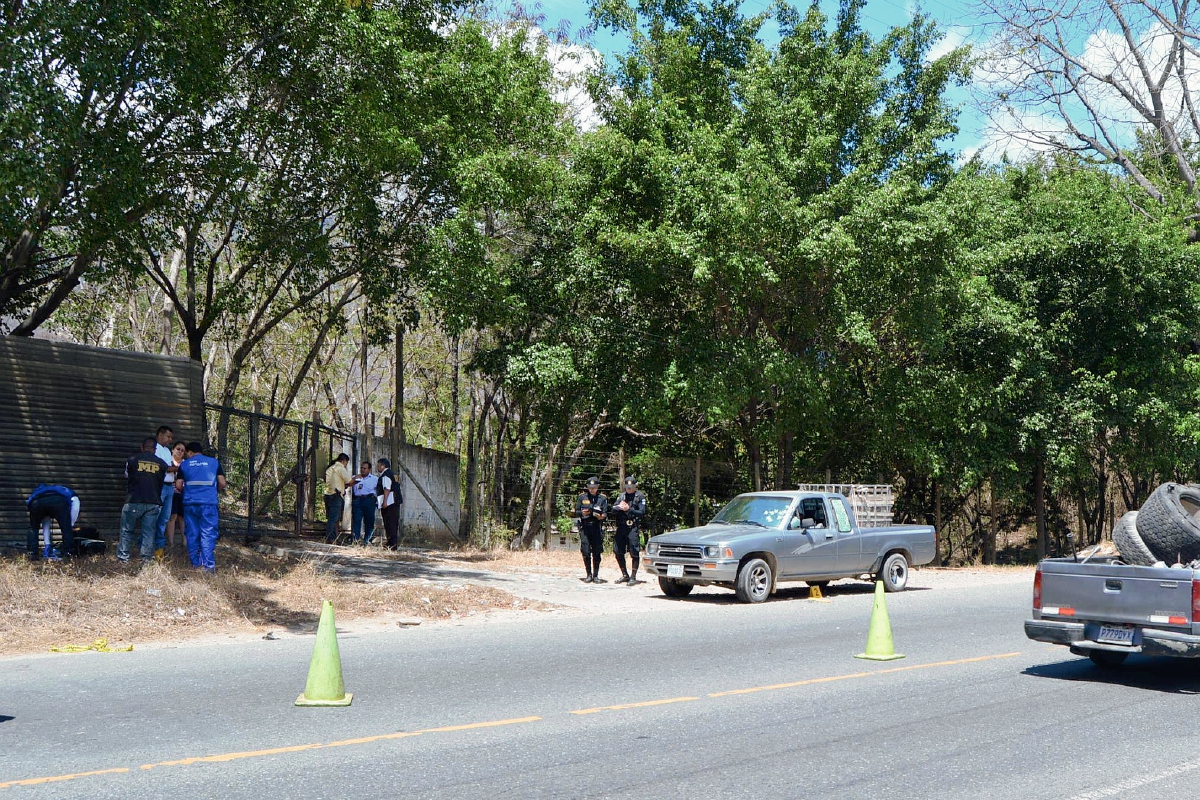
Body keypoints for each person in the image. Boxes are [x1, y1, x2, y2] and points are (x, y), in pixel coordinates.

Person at [175, 441, 226, 572]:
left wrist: (187, 493)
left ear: (190, 452)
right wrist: (213, 492)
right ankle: (208, 567)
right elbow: (222, 482)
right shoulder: (214, 462)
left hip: (190, 504)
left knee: (192, 533)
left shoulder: (184, 464)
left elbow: (179, 485)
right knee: (208, 533)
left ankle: (196, 564)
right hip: (208, 504)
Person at [118, 437, 169, 563]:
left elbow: (127, 475)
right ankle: (146, 560)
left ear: (142, 447)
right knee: (149, 532)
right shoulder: (162, 464)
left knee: (127, 530)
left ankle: (123, 559)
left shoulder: (131, 460)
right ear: (155, 450)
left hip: (133, 500)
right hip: (153, 502)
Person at [25, 484, 79, 561]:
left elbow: (45, 521)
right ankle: (68, 554)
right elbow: (75, 508)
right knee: (66, 528)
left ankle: (32, 554)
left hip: (36, 502)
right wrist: (70, 526)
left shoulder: (40, 491)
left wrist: (47, 544)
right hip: (58, 501)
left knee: (33, 528)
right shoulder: (71, 494)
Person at [610, 476, 647, 584]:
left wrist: (629, 509)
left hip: (632, 527)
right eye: (627, 487)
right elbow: (613, 510)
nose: (629, 489)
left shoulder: (639, 496)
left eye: (631, 487)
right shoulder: (622, 496)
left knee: (634, 552)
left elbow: (642, 512)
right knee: (617, 551)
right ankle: (624, 574)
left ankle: (633, 577)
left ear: (635, 486)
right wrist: (618, 507)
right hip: (621, 527)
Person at [151, 425, 179, 560]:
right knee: (154, 517)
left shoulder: (167, 451)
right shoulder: (154, 449)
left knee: (164, 519)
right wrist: (177, 468)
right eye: (168, 436)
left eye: (171, 437)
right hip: (160, 486)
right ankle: (150, 548)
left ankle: (158, 550)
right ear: (160, 435)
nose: (170, 440)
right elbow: (164, 468)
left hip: (169, 487)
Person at [575, 476, 608, 583]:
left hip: (596, 527)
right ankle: (588, 574)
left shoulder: (602, 498)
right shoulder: (582, 497)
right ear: (587, 487)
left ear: (598, 486)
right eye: (590, 487)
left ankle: (596, 575)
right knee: (586, 551)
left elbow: (605, 513)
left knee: (597, 552)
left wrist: (601, 516)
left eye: (594, 487)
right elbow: (576, 511)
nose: (592, 489)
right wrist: (582, 513)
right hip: (585, 527)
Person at [323, 453, 355, 544]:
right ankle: (330, 538)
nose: (346, 465)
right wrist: (356, 479)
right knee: (334, 518)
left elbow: (329, 482)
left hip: (328, 494)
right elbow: (349, 480)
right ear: (344, 461)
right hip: (336, 495)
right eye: (346, 463)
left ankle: (334, 537)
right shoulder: (340, 468)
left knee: (331, 518)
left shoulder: (330, 468)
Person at [376, 458, 403, 549]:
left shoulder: (386, 475)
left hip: (389, 503)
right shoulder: (394, 474)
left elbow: (387, 489)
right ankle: (392, 543)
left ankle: (391, 544)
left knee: (389, 523)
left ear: (383, 466)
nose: (377, 467)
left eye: (379, 465)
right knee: (393, 523)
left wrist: (385, 502)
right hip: (395, 501)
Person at [164, 442, 187, 549]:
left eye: (182, 450)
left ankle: (185, 542)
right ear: (172, 450)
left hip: (183, 493)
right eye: (178, 449)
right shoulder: (167, 461)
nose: (180, 451)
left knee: (182, 517)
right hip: (171, 493)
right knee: (172, 517)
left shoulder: (186, 464)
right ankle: (171, 543)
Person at [350, 461, 379, 545]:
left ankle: (368, 540)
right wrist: (354, 479)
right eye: (361, 468)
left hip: (369, 500)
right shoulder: (356, 477)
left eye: (365, 468)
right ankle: (355, 540)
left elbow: (379, 490)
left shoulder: (374, 479)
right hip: (358, 500)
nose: (362, 470)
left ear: (369, 469)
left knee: (369, 520)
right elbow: (348, 485)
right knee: (356, 520)